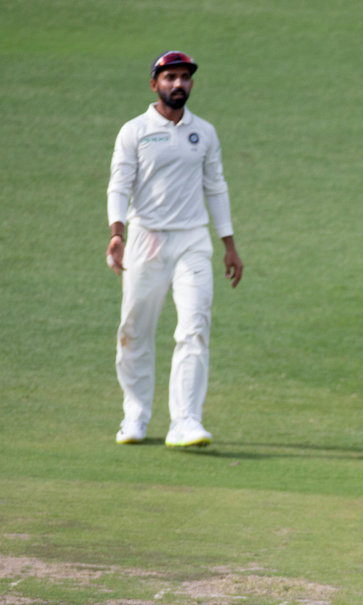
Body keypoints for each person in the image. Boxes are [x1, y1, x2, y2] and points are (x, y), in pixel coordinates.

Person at [106, 50, 244, 447]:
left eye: (184, 77)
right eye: (170, 78)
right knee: (134, 330)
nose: (178, 84)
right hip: (146, 238)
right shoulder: (134, 131)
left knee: (195, 328)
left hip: (192, 241)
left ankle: (186, 421)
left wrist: (229, 245)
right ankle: (135, 416)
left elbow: (215, 186)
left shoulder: (205, 132)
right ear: (155, 85)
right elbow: (119, 184)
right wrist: (117, 233)